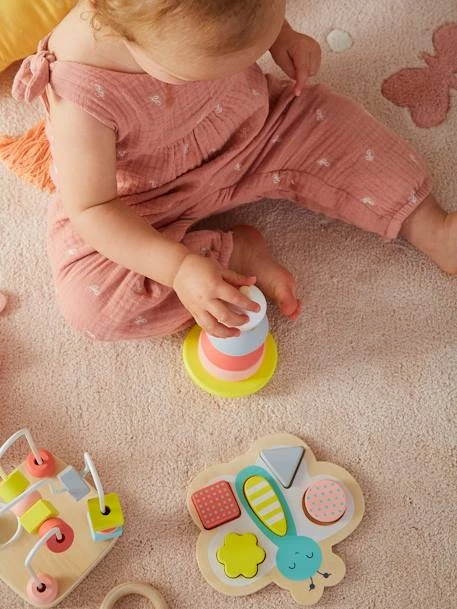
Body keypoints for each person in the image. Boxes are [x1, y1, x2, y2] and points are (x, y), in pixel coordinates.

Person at [12, 0, 453, 341]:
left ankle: (431, 226)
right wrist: (177, 268)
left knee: (338, 130)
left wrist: (280, 35)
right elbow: (94, 208)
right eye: (199, 73)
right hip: (141, 199)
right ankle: (230, 253)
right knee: (90, 305)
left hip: (251, 129)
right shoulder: (78, 92)